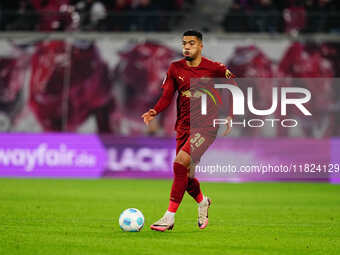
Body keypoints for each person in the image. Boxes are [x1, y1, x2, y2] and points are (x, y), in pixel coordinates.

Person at [141, 30, 234, 232]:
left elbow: (234, 85)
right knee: (187, 175)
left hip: (206, 127)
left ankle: (169, 217)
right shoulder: (175, 68)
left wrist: (230, 114)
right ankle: (202, 202)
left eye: (191, 43)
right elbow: (166, 95)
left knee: (179, 162)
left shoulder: (214, 68)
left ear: (200, 46)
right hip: (183, 127)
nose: (187, 47)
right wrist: (155, 111)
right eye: (184, 43)